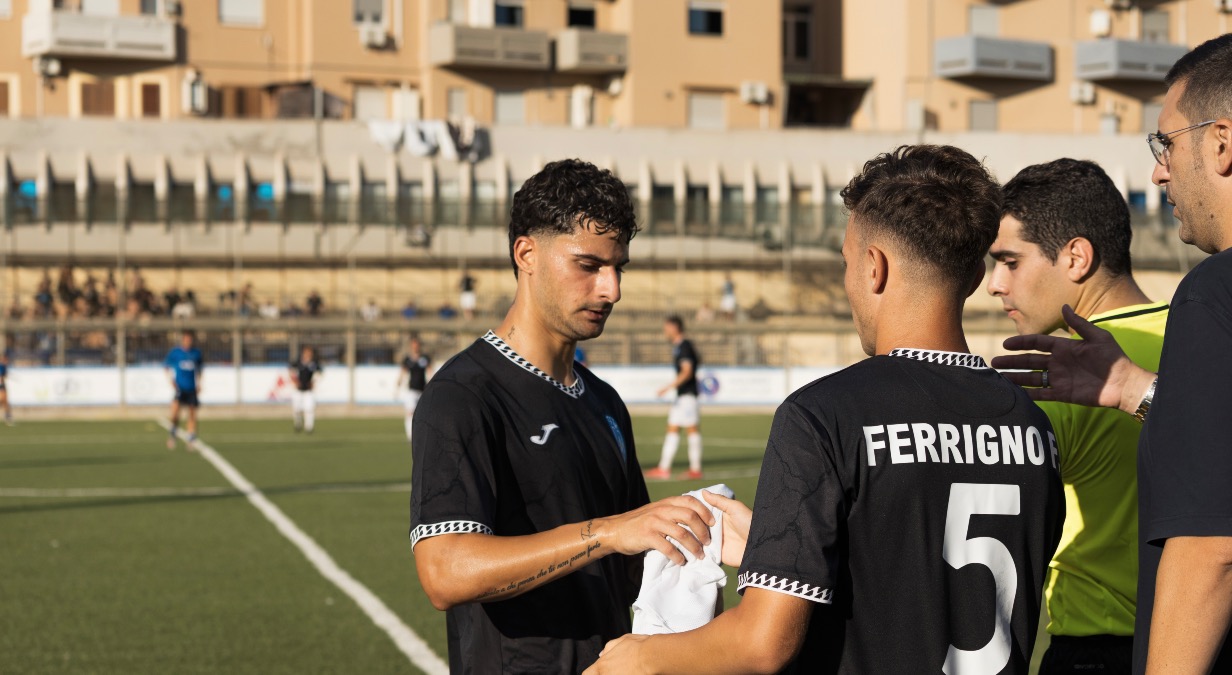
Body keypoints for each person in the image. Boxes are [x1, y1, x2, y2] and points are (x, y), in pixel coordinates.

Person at [587, 145, 1065, 675]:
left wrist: (636, 656)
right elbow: (925, 587)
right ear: (975, 276)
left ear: (874, 267)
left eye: (845, 262)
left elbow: (762, 645)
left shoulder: (824, 414)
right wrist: (780, 551)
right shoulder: (1033, 426)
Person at [409, 158, 716, 673]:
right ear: (526, 254)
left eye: (618, 268)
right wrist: (605, 533)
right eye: (589, 266)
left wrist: (702, 537)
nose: (612, 289)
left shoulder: (604, 400)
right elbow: (445, 573)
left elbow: (631, 559)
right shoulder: (463, 396)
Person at [992, 34, 1232, 674]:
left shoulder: (1208, 301)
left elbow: (1211, 545)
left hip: (1128, 646)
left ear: (1222, 143)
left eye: (1166, 143)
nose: (1158, 170)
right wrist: (1138, 390)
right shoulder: (1170, 335)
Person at [987, 158, 1167, 673]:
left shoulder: (1058, 379)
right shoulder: (1199, 334)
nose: (995, 284)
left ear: (1076, 257)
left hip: (1097, 649)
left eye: (1010, 261)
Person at [646, 316, 704, 480]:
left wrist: (668, 387)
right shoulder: (680, 346)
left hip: (687, 396)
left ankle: (695, 469)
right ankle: (663, 468)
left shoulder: (684, 346)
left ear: (675, 327)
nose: (665, 331)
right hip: (682, 397)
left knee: (691, 429)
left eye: (667, 328)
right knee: (672, 429)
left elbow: (687, 371)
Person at [165, 330, 204, 449]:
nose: (188, 341)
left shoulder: (196, 353)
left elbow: (199, 370)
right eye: (186, 339)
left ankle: (191, 439)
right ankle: (173, 434)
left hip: (191, 388)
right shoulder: (176, 352)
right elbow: (166, 366)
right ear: (182, 340)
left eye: (190, 339)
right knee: (175, 413)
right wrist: (171, 380)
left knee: (192, 413)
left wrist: (199, 384)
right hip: (180, 388)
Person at [394, 337, 430, 443]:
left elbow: (429, 371)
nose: (415, 347)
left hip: (423, 390)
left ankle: (421, 433)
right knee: (410, 412)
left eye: (417, 345)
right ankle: (410, 435)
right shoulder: (408, 359)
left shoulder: (424, 358)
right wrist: (398, 386)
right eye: (413, 345)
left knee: (423, 414)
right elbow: (402, 373)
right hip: (411, 391)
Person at [289, 346, 322, 433]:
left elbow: (319, 374)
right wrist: (295, 381)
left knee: (309, 409)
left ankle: (309, 427)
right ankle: (298, 424)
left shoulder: (314, 364)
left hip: (308, 391)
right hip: (298, 390)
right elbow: (291, 372)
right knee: (297, 409)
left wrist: (314, 383)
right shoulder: (298, 363)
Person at [0, 352, 12, 426]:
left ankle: (8, 417)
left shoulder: (4, 367)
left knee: (5, 402)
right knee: (3, 401)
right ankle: (8, 417)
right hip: (1, 386)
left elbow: (4, 376)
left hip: (2, 386)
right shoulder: (1, 366)